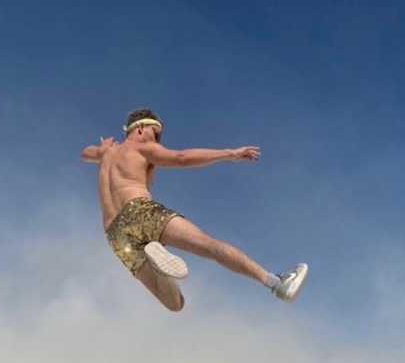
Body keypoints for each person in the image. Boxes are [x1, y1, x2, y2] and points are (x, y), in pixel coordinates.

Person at [81, 108, 308, 311]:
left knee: (175, 304)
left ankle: (153, 256)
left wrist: (103, 148)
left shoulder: (105, 155)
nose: (158, 140)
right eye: (156, 133)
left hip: (115, 235)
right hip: (138, 211)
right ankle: (276, 283)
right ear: (140, 129)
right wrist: (229, 153)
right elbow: (181, 158)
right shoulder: (143, 148)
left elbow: (85, 153)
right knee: (208, 245)